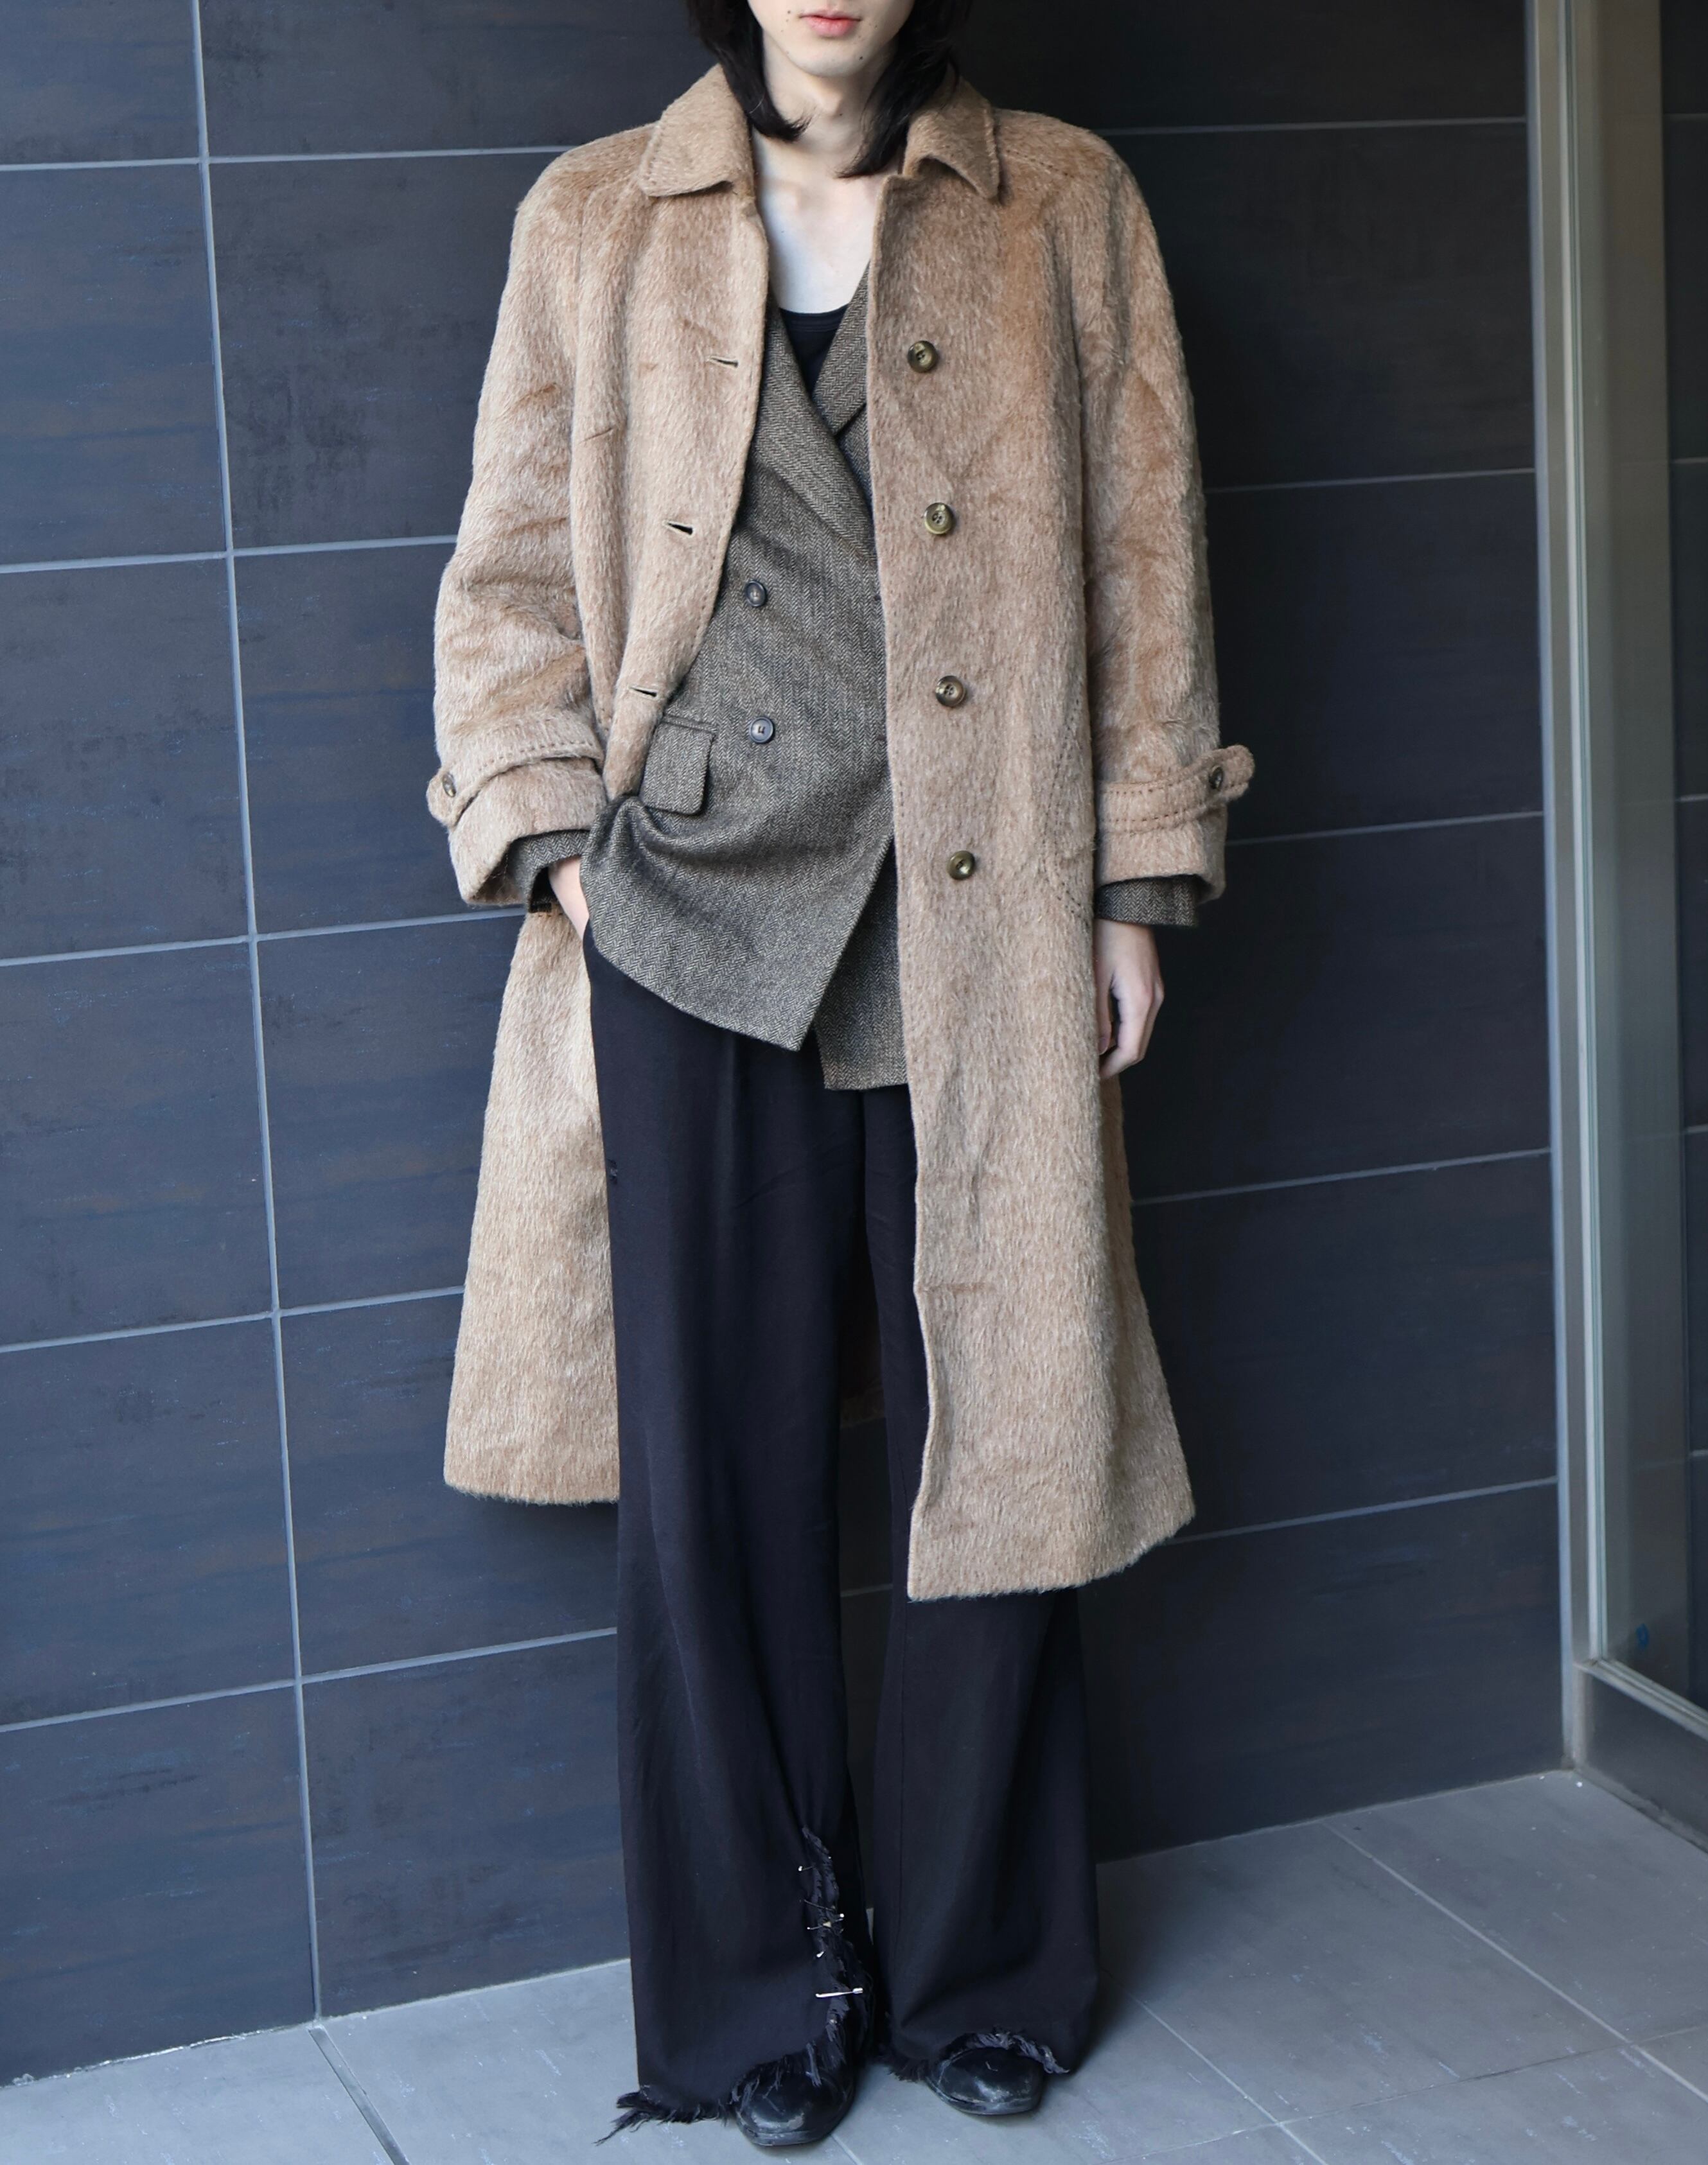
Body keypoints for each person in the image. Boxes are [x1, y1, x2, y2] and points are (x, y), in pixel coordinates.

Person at [427, 0, 1251, 2146]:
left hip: (980, 896)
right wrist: (562, 851)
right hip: (687, 919)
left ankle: (984, 1969)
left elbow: (1145, 546)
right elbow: (507, 570)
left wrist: (1130, 883)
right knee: (710, 1472)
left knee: (1001, 1431)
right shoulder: (596, 213)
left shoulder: (1058, 197)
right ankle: (756, 2000)